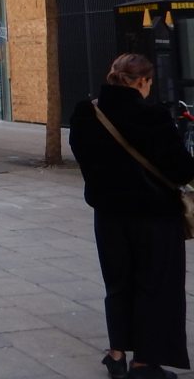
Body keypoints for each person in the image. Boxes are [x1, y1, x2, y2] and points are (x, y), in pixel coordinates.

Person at [70, 53, 194, 379]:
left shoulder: (86, 112)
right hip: (155, 217)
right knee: (155, 286)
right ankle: (144, 364)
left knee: (118, 283)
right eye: (149, 83)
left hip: (108, 216)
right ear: (142, 81)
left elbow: (84, 157)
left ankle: (116, 353)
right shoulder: (153, 117)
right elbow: (181, 170)